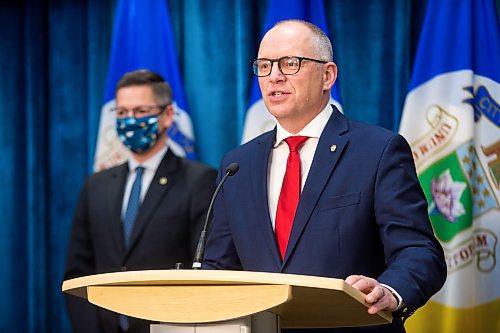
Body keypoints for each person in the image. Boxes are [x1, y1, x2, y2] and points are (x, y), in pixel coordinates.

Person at [203, 20, 447, 333]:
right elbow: (219, 266)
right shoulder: (237, 165)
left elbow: (419, 252)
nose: (274, 76)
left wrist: (389, 290)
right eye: (264, 66)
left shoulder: (378, 150)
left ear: (327, 75)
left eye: (290, 63)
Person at [64, 70, 217, 333]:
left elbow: (204, 271)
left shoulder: (199, 180)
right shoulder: (96, 185)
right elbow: (77, 272)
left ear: (168, 116)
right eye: (122, 113)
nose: (130, 120)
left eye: (140, 111)